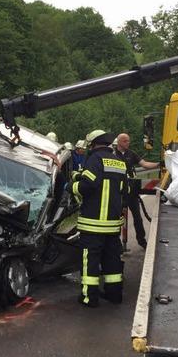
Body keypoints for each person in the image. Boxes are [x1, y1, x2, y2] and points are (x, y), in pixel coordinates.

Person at [71, 130, 127, 307]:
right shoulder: (119, 161)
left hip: (93, 224)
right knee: (112, 260)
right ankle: (114, 294)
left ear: (93, 144)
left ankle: (89, 297)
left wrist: (71, 187)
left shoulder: (95, 159)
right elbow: (125, 190)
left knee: (90, 261)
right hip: (112, 225)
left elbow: (88, 184)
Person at [114, 133, 160, 249]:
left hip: (132, 192)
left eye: (128, 141)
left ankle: (142, 241)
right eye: (125, 141)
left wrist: (159, 164)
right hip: (117, 193)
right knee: (116, 220)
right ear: (119, 142)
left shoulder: (131, 154)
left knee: (138, 218)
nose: (128, 143)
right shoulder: (112, 154)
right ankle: (115, 244)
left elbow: (144, 164)